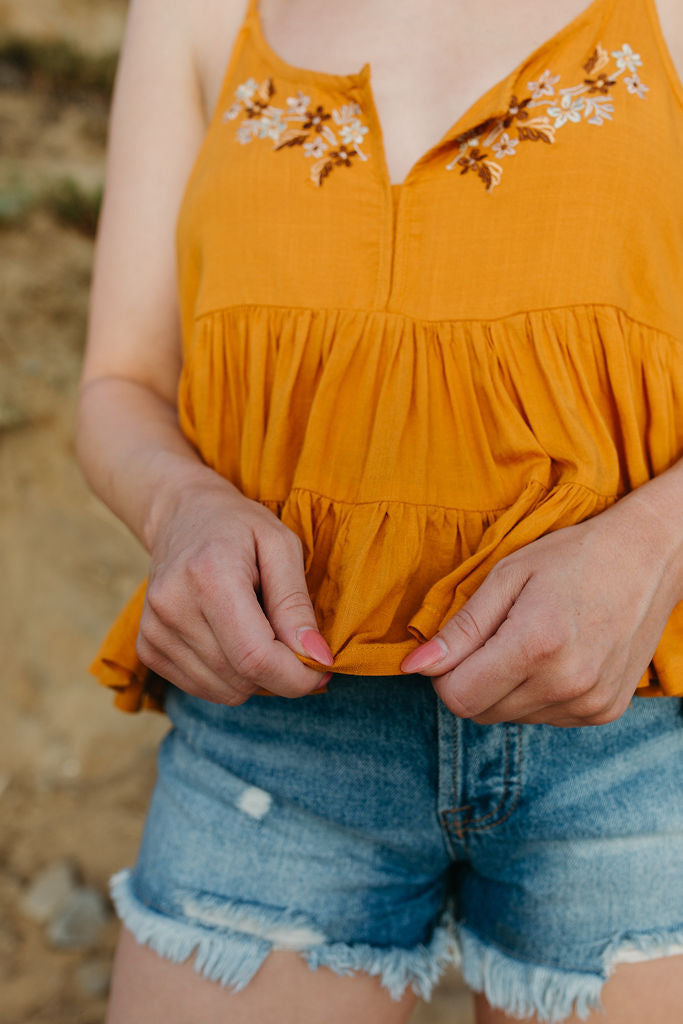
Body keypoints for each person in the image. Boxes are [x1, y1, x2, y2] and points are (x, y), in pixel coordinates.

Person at [76, 0, 683, 1020]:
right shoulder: (194, 13)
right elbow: (119, 382)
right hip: (271, 729)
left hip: (638, 740)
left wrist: (652, 542)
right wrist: (180, 507)